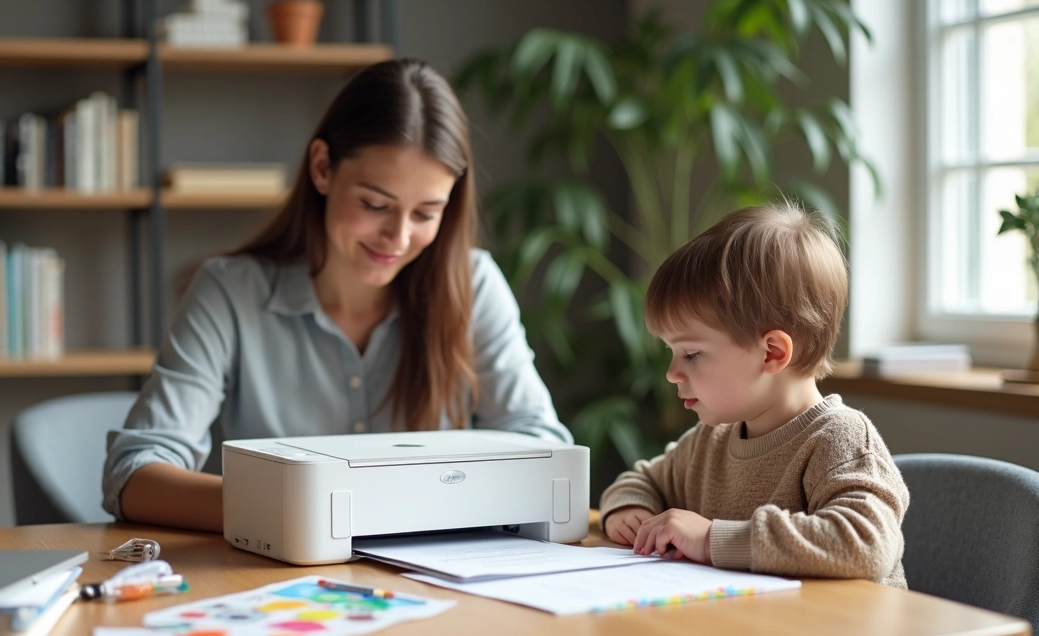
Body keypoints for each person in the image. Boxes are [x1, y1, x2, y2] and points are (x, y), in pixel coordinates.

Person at [102, 58, 570, 532]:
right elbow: (133, 473)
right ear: (323, 168)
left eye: (427, 213)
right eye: (374, 205)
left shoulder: (474, 283)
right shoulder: (229, 292)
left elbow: (542, 445)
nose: (398, 237)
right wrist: (295, 509)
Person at [600, 203, 910, 588]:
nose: (672, 373)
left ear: (772, 353)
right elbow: (641, 481)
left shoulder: (839, 440)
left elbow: (866, 545)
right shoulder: (710, 443)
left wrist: (711, 538)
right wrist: (631, 509)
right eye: (672, 353)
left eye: (692, 354)